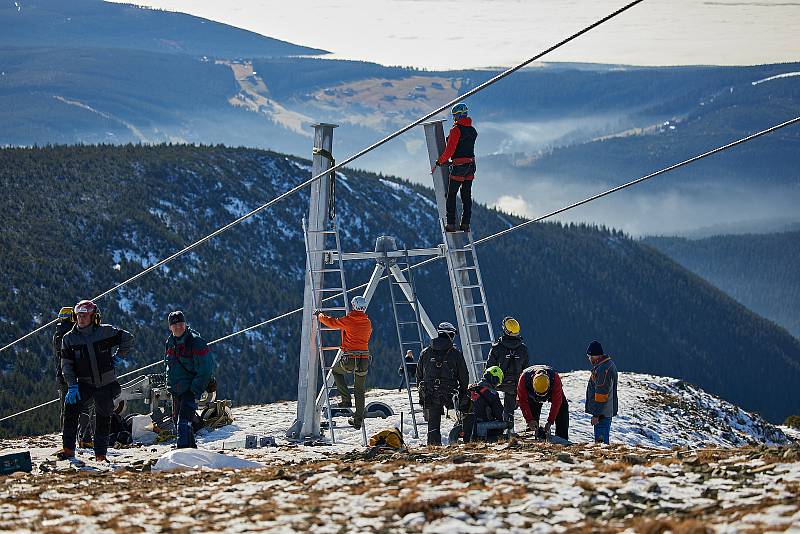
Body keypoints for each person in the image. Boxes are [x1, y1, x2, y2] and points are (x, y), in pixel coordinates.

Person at [57, 300, 133, 462]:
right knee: (70, 413)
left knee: (103, 419)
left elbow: (127, 338)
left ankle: (100, 455)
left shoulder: (105, 332)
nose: (82, 319)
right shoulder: (69, 339)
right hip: (83, 383)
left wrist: (119, 357)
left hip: (106, 384)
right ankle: (69, 450)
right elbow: (67, 365)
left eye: (85, 315)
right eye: (79, 316)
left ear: (94, 317)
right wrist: (72, 385)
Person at [315, 296, 372, 430]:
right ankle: (358, 420)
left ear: (353, 306)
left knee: (336, 371)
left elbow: (332, 323)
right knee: (360, 390)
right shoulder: (367, 322)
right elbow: (368, 335)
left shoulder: (349, 320)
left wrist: (320, 315)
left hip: (350, 358)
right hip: (364, 359)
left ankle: (346, 399)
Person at [165, 310, 214, 449]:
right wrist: (169, 385)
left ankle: (182, 452)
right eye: (174, 325)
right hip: (175, 390)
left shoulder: (196, 342)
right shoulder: (170, 342)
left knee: (184, 421)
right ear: (170, 327)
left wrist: (194, 389)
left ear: (185, 324)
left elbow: (206, 368)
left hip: (189, 389)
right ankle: (191, 450)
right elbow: (168, 366)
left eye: (181, 323)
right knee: (177, 421)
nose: (178, 327)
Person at [416, 322, 469, 446]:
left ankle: (433, 447)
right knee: (464, 416)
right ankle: (465, 441)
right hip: (450, 393)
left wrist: (422, 393)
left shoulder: (425, 352)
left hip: (430, 392)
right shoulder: (456, 354)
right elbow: (464, 376)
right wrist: (464, 393)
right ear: (450, 335)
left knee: (433, 423)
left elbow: (419, 376)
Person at [433, 102, 477, 232]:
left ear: (457, 116)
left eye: (454, 116)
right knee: (466, 196)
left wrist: (439, 161)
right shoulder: (472, 130)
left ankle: (451, 224)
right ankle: (465, 224)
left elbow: (450, 151)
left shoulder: (455, 130)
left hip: (459, 166)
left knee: (451, 195)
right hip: (471, 165)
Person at [485, 316, 529, 430]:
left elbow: (489, 368)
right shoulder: (523, 349)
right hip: (515, 385)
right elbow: (526, 370)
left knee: (491, 400)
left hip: (498, 383)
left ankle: (495, 426)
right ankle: (509, 430)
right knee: (510, 408)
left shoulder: (497, 348)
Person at [517, 364, 570, 440]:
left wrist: (550, 421)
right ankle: (532, 436)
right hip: (532, 397)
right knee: (532, 419)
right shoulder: (524, 379)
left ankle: (562, 439)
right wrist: (529, 420)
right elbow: (522, 401)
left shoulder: (555, 379)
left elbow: (557, 403)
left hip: (551, 393)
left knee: (562, 408)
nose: (541, 398)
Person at [585, 340, 618, 444]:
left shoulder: (603, 369)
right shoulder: (606, 365)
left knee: (601, 444)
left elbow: (601, 394)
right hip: (605, 412)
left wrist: (596, 415)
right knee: (602, 442)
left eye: (589, 356)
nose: (589, 359)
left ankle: (603, 460)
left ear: (595, 355)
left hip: (602, 415)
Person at [463, 366, 506, 443]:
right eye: (498, 382)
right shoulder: (492, 394)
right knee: (504, 424)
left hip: (467, 430)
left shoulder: (471, 389)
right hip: (485, 431)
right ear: (494, 379)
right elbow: (499, 414)